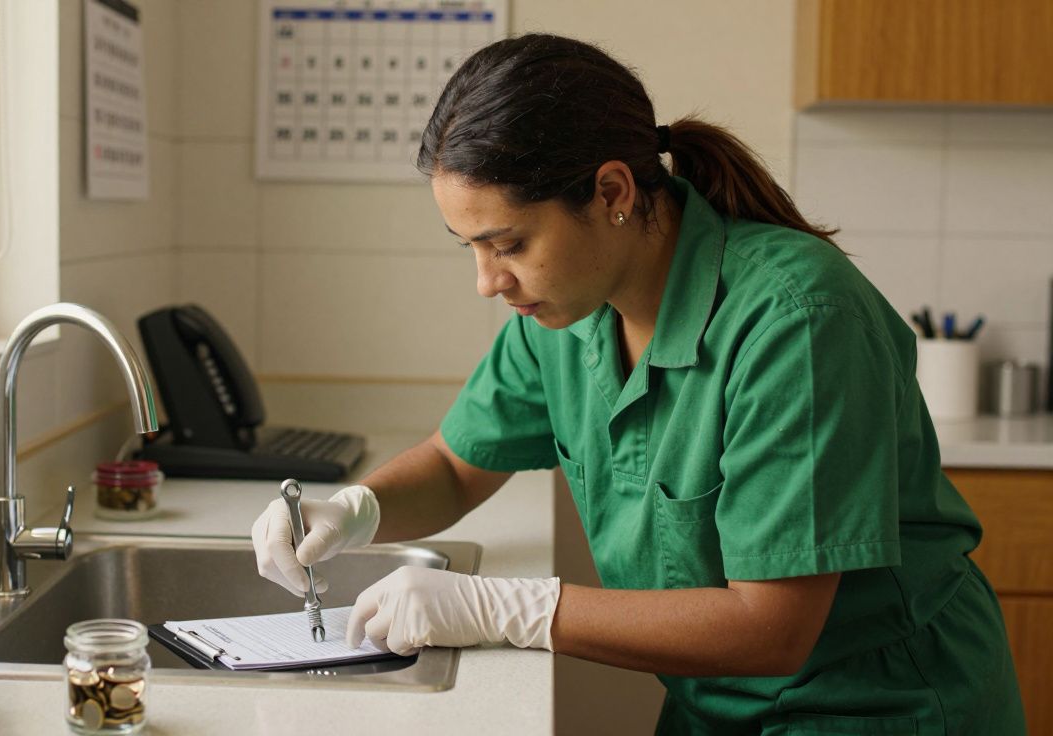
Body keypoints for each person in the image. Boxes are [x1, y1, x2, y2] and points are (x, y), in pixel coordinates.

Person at [251, 33, 1025, 735]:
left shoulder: (796, 320)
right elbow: (457, 466)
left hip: (876, 709)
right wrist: (357, 510)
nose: (488, 282)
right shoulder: (565, 314)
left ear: (614, 193)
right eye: (470, 249)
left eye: (508, 243)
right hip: (710, 705)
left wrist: (510, 609)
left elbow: (772, 625)